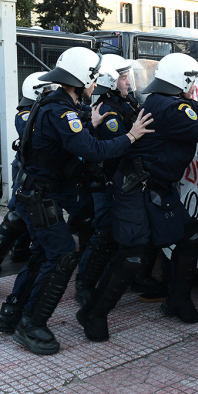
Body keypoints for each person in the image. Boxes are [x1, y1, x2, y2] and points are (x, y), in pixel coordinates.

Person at [76, 53, 198, 342]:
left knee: (189, 238)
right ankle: (93, 313)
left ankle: (176, 301)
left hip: (155, 187)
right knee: (133, 255)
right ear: (181, 80)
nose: (194, 86)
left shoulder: (166, 100)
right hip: (137, 187)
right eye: (192, 80)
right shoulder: (170, 106)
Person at [0, 48, 154, 355]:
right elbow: (93, 150)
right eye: (93, 78)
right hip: (40, 195)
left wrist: (87, 124)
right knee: (63, 254)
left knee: (43, 254)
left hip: (35, 193)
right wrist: (131, 136)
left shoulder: (54, 104)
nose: (96, 84)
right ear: (82, 78)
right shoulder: (61, 111)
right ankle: (31, 324)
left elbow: (67, 138)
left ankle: (11, 313)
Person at [0, 72, 54, 297]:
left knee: (31, 221)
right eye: (48, 90)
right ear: (36, 92)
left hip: (44, 177)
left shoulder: (44, 110)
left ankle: (19, 251)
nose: (53, 93)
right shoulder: (26, 114)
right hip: (27, 175)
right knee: (15, 220)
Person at [75, 54, 143, 307]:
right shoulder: (105, 110)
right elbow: (119, 146)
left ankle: (127, 277)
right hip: (105, 181)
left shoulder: (128, 103)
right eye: (123, 78)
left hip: (122, 181)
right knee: (103, 232)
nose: (128, 83)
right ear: (110, 82)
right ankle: (84, 283)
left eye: (128, 77)